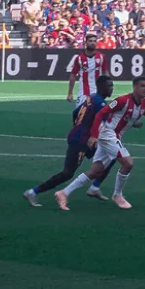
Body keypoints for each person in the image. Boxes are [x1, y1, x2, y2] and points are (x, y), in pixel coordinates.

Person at [53, 78, 145, 211]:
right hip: (108, 134)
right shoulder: (122, 100)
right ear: (135, 87)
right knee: (128, 163)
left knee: (95, 171)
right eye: (142, 86)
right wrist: (94, 135)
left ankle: (63, 193)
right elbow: (100, 114)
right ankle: (117, 195)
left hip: (115, 136)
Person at [23, 76, 116, 206]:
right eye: (109, 86)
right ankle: (32, 192)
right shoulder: (100, 103)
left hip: (81, 137)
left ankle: (95, 188)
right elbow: (111, 121)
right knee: (67, 173)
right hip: (81, 140)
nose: (112, 88)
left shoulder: (91, 98)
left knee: (111, 157)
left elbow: (75, 112)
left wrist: (78, 127)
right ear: (101, 87)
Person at [66, 32, 108, 110]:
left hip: (98, 92)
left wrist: (107, 87)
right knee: (79, 116)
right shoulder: (79, 58)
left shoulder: (102, 57)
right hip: (83, 93)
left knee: (98, 116)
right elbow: (73, 75)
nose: (93, 43)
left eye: (94, 41)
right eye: (90, 41)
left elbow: (106, 73)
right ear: (86, 43)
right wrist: (70, 93)